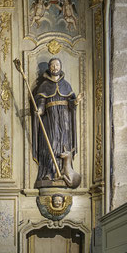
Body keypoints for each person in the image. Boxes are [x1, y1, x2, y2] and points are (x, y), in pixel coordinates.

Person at [31, 57, 80, 187]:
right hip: (50, 120)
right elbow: (41, 101)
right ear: (49, 67)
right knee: (50, 144)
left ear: (60, 66)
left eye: (57, 65)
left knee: (63, 145)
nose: (55, 67)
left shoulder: (66, 85)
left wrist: (74, 102)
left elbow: (71, 103)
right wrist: (40, 110)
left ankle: (63, 172)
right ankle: (49, 173)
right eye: (52, 65)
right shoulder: (44, 86)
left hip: (64, 120)